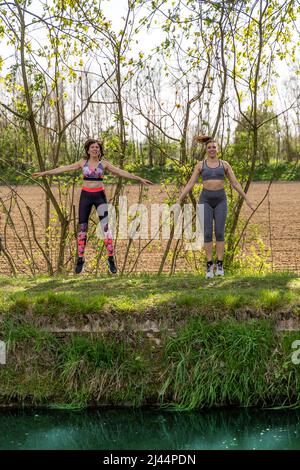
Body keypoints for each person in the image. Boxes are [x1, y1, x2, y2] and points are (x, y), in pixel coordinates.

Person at [32, 138, 153, 274]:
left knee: (106, 228)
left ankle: (111, 259)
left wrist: (139, 179)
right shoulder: (82, 163)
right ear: (88, 150)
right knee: (82, 228)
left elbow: (121, 172)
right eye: (92, 147)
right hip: (85, 197)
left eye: (97, 147)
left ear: (100, 150)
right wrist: (45, 173)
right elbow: (64, 168)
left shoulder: (104, 164)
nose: (95, 149)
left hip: (100, 196)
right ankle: (80, 259)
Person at [177, 134, 255, 278]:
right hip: (205, 200)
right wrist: (179, 200)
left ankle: (220, 265)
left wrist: (247, 199)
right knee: (207, 233)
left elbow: (235, 183)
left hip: (221, 201)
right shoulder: (200, 165)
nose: (212, 149)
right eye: (209, 147)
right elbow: (190, 184)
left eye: (214, 147)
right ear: (206, 150)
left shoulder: (224, 165)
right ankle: (209, 266)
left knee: (219, 233)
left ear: (217, 149)